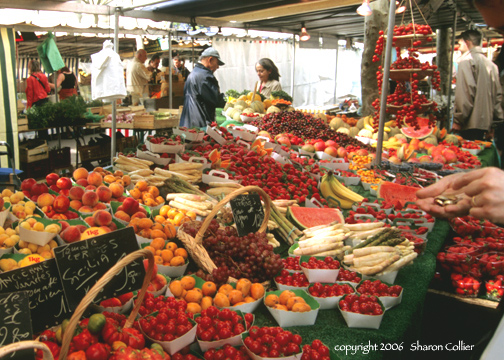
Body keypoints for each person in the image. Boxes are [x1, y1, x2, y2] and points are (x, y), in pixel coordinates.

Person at [453, 29, 503, 141]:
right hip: (486, 123)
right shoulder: (492, 65)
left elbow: (466, 93)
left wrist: (458, 120)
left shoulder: (466, 61)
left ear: (468, 42)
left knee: (469, 155)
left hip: (470, 123)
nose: (458, 46)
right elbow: (498, 96)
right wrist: (495, 123)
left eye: (460, 43)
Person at [179, 47, 226, 128]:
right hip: (199, 123)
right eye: (217, 63)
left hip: (188, 121)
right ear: (210, 60)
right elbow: (215, 100)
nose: (218, 67)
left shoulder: (193, 73)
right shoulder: (205, 77)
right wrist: (230, 101)